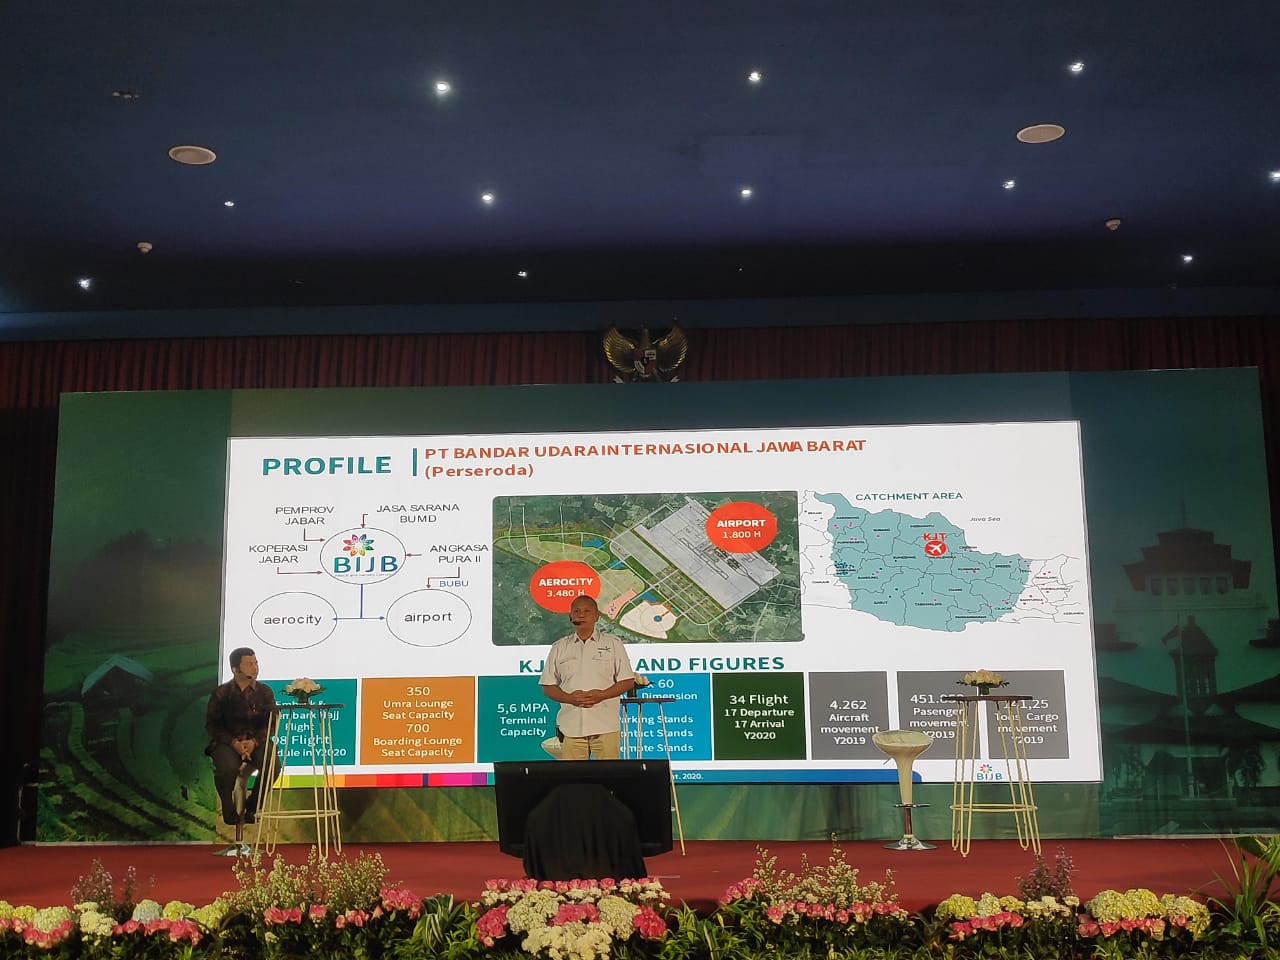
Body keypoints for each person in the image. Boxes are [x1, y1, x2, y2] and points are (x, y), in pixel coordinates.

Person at [540, 595, 636, 760]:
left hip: (605, 726)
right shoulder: (559, 647)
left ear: (596, 616)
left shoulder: (613, 643)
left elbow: (627, 681)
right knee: (574, 775)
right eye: (577, 611)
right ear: (571, 617)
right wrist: (569, 699)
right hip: (571, 728)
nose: (581, 615)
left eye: (587, 611)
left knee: (609, 775)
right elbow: (547, 686)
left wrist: (602, 695)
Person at [205, 647, 276, 825]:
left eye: (256, 663)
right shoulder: (221, 693)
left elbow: (271, 723)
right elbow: (212, 725)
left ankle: (253, 807)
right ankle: (228, 808)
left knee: (272, 764)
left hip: (257, 742)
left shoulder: (265, 692)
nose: (255, 667)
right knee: (227, 768)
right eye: (249, 664)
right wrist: (234, 743)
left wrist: (254, 742)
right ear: (235, 669)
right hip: (227, 743)